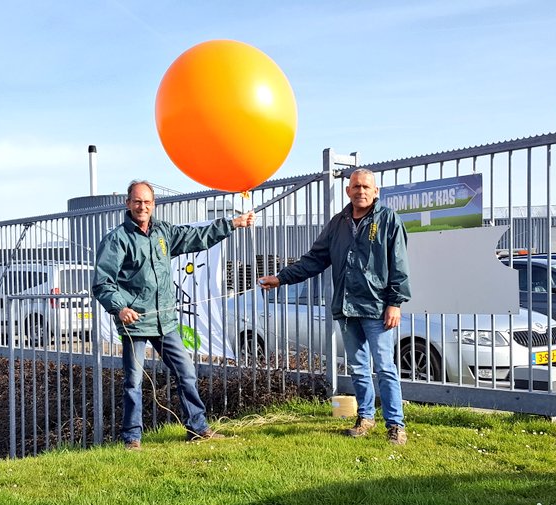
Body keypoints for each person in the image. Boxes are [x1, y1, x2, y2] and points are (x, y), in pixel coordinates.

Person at [92, 180, 256, 450]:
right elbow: (103, 283)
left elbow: (197, 237)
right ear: (128, 203)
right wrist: (120, 307)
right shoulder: (116, 239)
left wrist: (233, 224)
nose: (142, 206)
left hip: (165, 322)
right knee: (133, 382)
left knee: (186, 372)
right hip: (135, 325)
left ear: (153, 204)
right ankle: (132, 438)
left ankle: (197, 428)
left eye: (147, 202)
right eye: (137, 201)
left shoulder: (163, 232)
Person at [257, 168, 411, 445]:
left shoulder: (389, 220)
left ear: (376, 191)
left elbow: (399, 265)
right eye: (356, 186)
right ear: (347, 191)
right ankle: (365, 418)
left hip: (378, 308)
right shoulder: (338, 223)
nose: (361, 191)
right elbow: (314, 259)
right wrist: (281, 278)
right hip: (347, 307)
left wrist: (395, 303)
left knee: (385, 367)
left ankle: (395, 425)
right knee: (359, 368)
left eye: (366, 187)